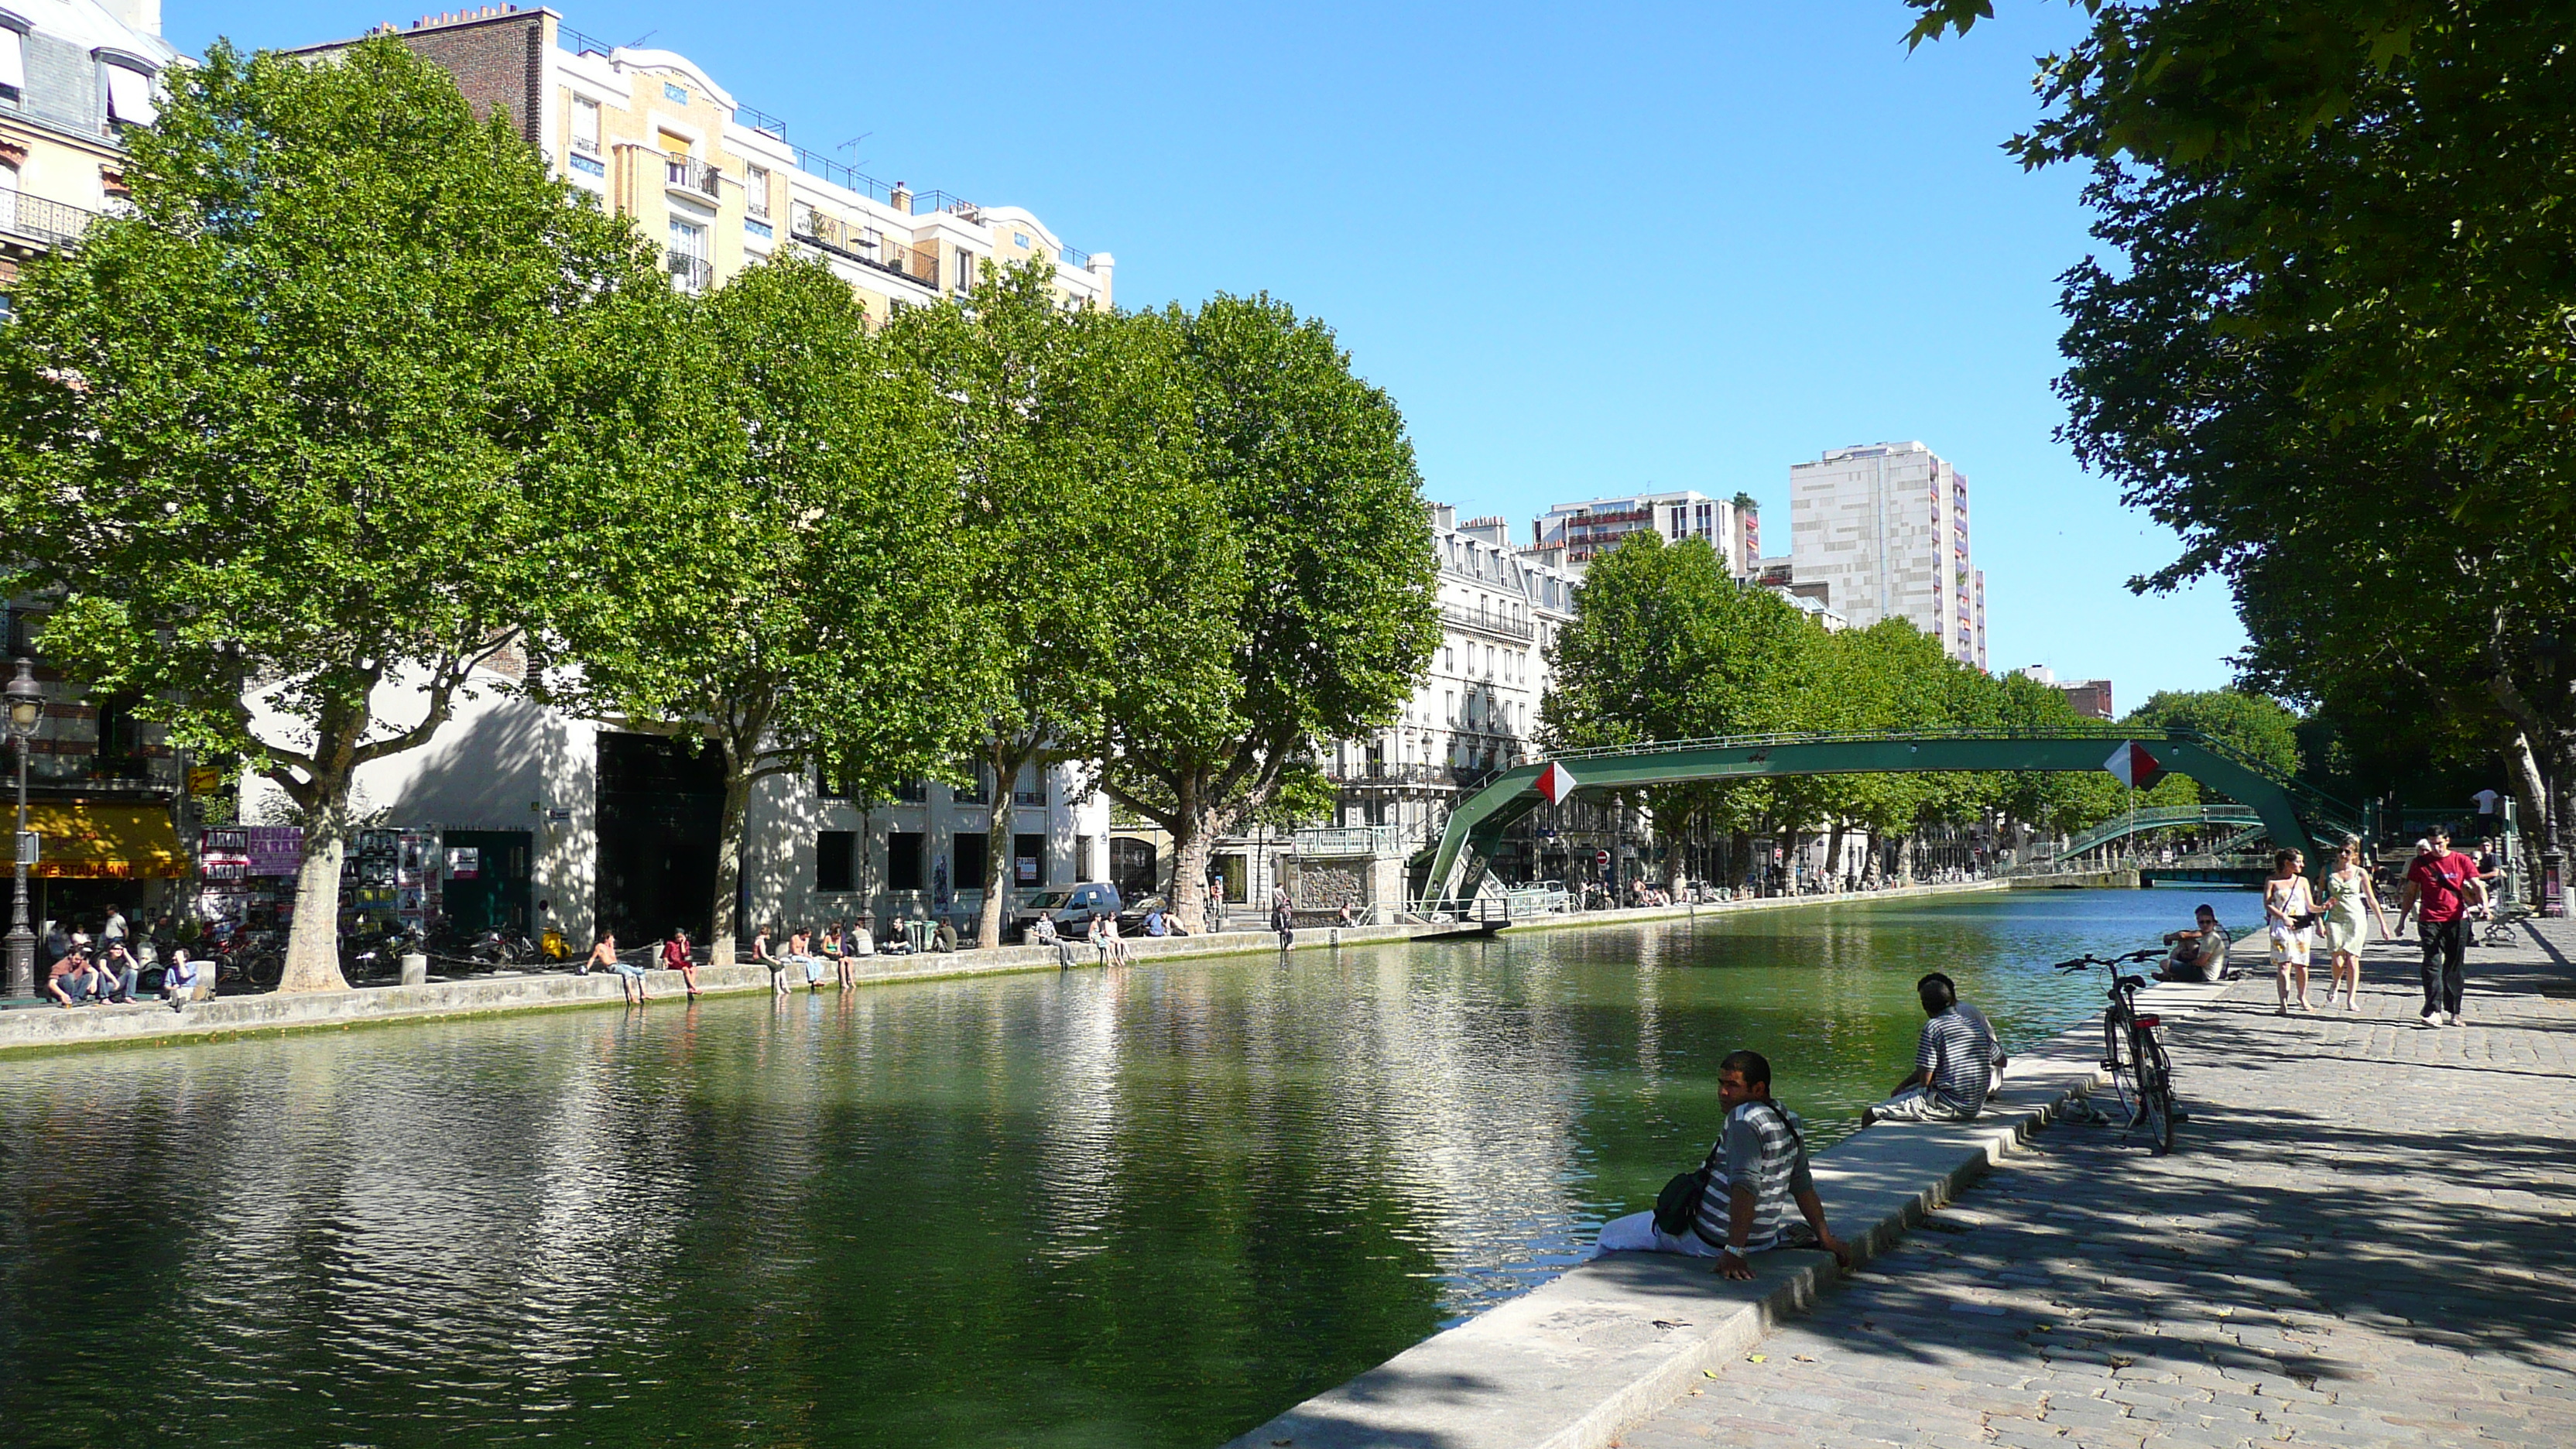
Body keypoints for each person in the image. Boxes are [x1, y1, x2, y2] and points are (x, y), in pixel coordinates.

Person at [1595, 1049, 1852, 1278]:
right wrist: (1825, 1238)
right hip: (1762, 1240)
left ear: (1758, 1089)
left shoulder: (1742, 1120)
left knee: (1610, 1234)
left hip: (1710, 1239)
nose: (1723, 1092)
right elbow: (1802, 1185)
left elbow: (1745, 1187)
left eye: (1733, 1085)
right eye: (1721, 1083)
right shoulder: (1789, 1119)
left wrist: (1734, 1252)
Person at [1862, 974, 2003, 1125]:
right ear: (1951, 1000)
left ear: (1925, 1006)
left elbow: (1926, 1077)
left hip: (1951, 1105)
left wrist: (1915, 1094)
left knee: (1870, 1114)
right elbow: (2001, 1060)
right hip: (1975, 1105)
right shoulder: (1973, 1025)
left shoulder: (1933, 1027)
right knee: (1903, 1094)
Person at [2397, 828, 2482, 1026]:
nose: (2436, 847)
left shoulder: (2461, 860)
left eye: (2439, 843)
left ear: (2447, 841)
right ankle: (2433, 1010)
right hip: (2430, 919)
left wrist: (2484, 905)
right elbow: (2410, 892)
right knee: (2431, 963)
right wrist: (2402, 920)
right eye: (2432, 843)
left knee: (2454, 967)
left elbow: (2477, 886)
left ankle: (2454, 1011)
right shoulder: (2420, 863)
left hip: (2457, 919)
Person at [2319, 844, 2386, 1009]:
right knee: (2337, 957)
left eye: (2347, 852)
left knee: (2352, 959)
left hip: (2355, 917)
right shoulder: (2328, 870)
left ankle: (2351, 999)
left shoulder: (2360, 872)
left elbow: (2371, 899)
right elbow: (2320, 895)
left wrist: (2383, 924)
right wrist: (2318, 920)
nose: (2343, 854)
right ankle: (2335, 982)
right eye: (2340, 851)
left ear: (2354, 854)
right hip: (2335, 917)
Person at [2263, 848, 2320, 1013]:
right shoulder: (2272, 881)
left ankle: (2302, 997)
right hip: (2281, 926)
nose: (2302, 864)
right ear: (2287, 863)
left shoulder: (2302, 881)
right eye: (2298, 861)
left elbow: (2310, 906)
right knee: (2284, 964)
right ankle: (2283, 1004)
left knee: (2302, 964)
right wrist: (2283, 917)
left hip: (2300, 926)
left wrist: (2323, 907)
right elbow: (2267, 904)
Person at [2159, 903, 2228, 983]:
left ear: (2213, 922)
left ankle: (2168, 974)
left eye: (2208, 922)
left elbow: (2183, 935)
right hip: (2217, 967)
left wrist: (2169, 938)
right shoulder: (2213, 932)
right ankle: (2169, 973)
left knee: (2166, 962)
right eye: (2201, 921)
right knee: (2184, 945)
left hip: (2209, 974)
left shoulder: (2212, 935)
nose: (2205, 924)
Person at [594, 931, 648, 1005]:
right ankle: (632, 996)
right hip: (611, 966)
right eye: (612, 938)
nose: (613, 940)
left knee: (640, 971)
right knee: (628, 974)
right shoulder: (600, 946)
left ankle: (644, 994)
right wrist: (587, 968)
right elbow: (592, 958)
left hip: (618, 964)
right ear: (607, 939)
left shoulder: (610, 947)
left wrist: (611, 946)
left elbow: (614, 957)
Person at [662, 928, 701, 999]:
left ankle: (691, 988)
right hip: (673, 962)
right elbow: (665, 956)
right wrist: (666, 962)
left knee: (694, 968)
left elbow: (685, 954)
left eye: (681, 937)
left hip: (682, 962)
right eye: (678, 937)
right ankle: (694, 987)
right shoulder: (670, 943)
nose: (679, 939)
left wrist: (682, 944)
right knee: (686, 969)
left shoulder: (686, 943)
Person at [752, 924, 788, 996]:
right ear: (767, 934)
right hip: (758, 959)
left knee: (781, 964)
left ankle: (785, 985)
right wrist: (773, 961)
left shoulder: (757, 938)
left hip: (760, 958)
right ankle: (778, 988)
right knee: (777, 966)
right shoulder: (761, 941)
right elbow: (763, 954)